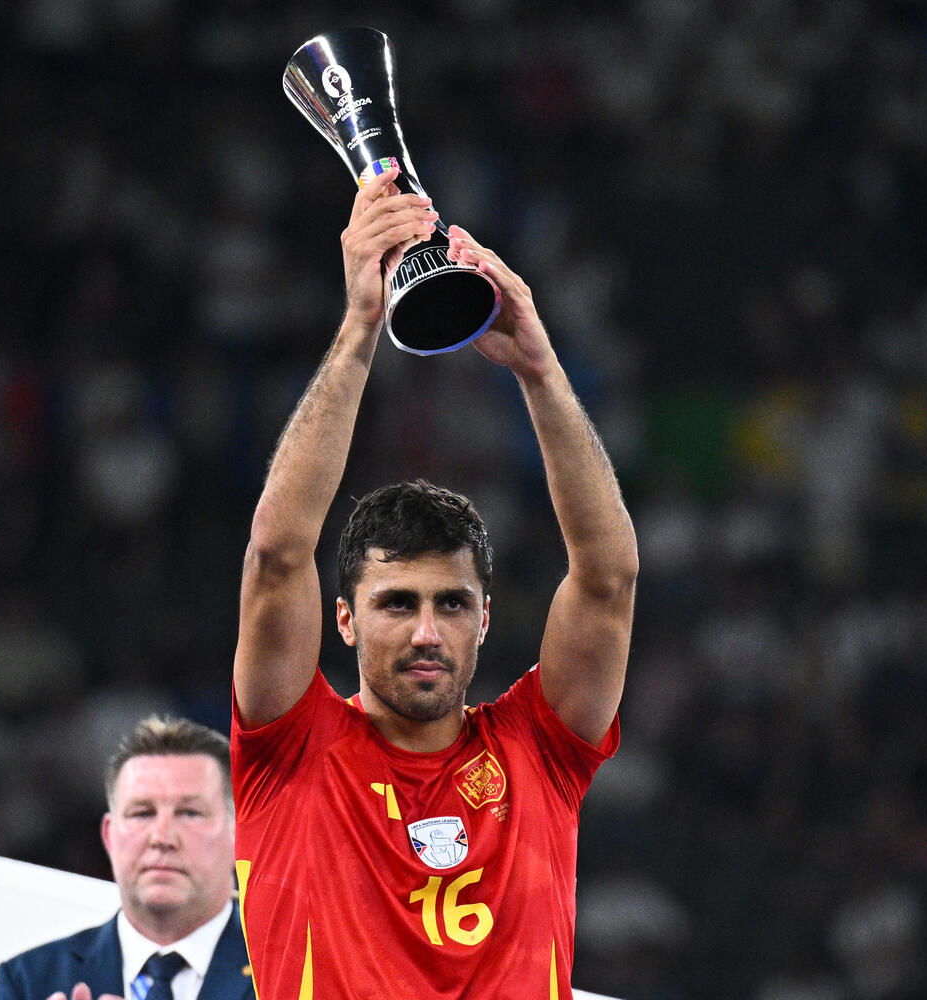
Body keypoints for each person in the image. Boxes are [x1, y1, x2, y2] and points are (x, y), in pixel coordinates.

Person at [230, 163, 638, 999]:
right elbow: (277, 558)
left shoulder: (539, 753)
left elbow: (608, 578)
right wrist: (360, 327)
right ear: (343, 620)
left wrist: (540, 370)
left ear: (484, 620)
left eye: (452, 603)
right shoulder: (290, 750)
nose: (426, 631)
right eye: (396, 604)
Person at [0, 716, 254, 1000]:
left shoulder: (283, 975)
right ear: (109, 836)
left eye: (190, 813)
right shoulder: (28, 981)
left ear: (238, 834)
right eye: (142, 813)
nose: (162, 837)